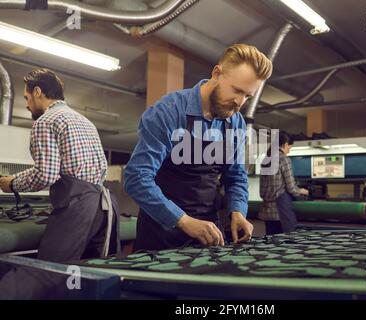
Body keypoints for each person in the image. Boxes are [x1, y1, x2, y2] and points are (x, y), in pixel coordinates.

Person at [124, 44, 273, 250]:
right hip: (160, 234)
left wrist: (237, 211)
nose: (240, 102)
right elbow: (136, 178)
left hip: (209, 233)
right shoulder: (168, 112)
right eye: (236, 90)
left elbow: (236, 176)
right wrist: (183, 220)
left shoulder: (235, 122)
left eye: (247, 95)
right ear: (217, 73)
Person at [0, 68, 120, 262]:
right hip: (104, 206)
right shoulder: (85, 121)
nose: (27, 104)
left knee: (50, 272)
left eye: (27, 97)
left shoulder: (45, 121)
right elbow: (94, 168)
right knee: (88, 272)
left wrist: (13, 185)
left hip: (78, 207)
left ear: (37, 92)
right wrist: (17, 177)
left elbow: (46, 174)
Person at [259, 131, 309, 234]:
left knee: (272, 244)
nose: (289, 151)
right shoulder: (284, 159)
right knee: (286, 245)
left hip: (267, 212)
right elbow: (291, 188)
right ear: (285, 144)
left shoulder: (266, 160)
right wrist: (302, 191)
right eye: (289, 148)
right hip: (280, 212)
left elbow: (262, 190)